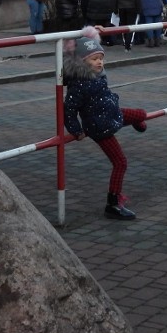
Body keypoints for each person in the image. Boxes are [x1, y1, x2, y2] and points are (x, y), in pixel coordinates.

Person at [63, 27, 148, 220]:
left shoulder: (98, 74)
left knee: (141, 114)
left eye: (101, 58)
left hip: (112, 114)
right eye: (95, 59)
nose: (99, 62)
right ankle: (113, 204)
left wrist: (92, 33)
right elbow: (68, 110)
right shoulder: (79, 84)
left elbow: (87, 42)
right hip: (99, 127)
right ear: (82, 62)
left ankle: (138, 123)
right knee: (120, 162)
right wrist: (76, 131)